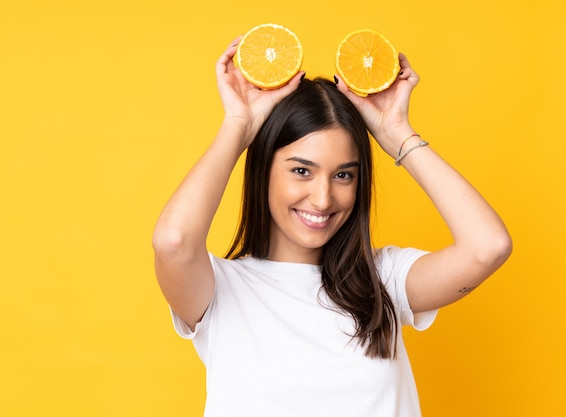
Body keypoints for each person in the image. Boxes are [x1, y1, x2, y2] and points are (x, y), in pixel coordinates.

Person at [152, 36, 512, 417]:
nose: (323, 199)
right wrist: (239, 126)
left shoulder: (384, 281)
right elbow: (173, 242)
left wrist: (397, 135)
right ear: (263, 171)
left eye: (343, 175)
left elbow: (487, 246)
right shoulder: (220, 291)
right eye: (301, 171)